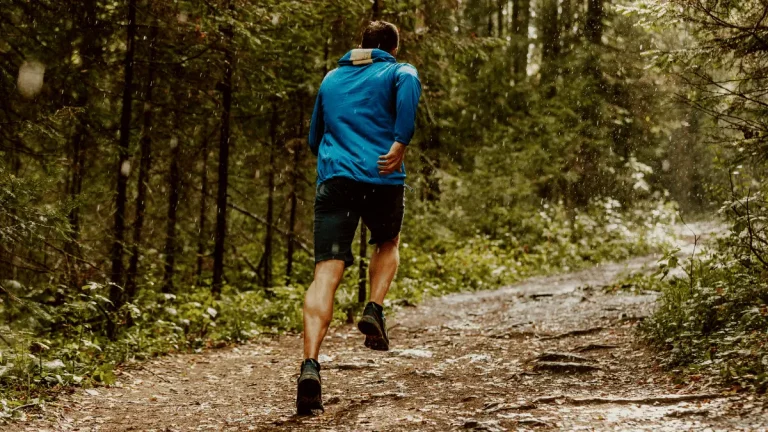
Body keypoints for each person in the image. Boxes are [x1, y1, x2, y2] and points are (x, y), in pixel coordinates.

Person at [296, 20, 422, 415]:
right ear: (392, 49)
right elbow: (409, 87)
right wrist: (400, 141)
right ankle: (374, 308)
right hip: (382, 177)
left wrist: (341, 151)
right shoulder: (400, 71)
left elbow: (315, 138)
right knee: (387, 242)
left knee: (325, 273)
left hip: (336, 181)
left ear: (362, 46)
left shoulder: (331, 79)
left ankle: (310, 365)